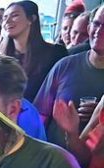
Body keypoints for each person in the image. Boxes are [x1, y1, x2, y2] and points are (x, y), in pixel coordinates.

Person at [34, 5, 104, 150]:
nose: (99, 31)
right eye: (96, 24)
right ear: (89, 27)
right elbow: (40, 114)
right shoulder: (65, 65)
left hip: (90, 162)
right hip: (51, 155)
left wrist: (99, 116)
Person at [1, 1, 67, 100]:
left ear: (31, 19)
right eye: (4, 17)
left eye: (14, 15)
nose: (7, 21)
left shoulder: (56, 53)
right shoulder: (1, 57)